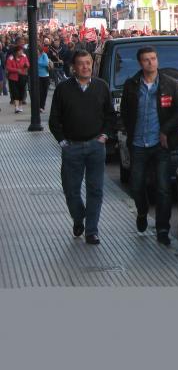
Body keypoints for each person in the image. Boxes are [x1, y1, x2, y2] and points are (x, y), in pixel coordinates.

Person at [120, 47, 178, 246]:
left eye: (153, 59)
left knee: (163, 188)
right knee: (137, 185)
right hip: (139, 143)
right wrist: (127, 131)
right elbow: (125, 111)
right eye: (146, 60)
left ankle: (163, 229)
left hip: (160, 145)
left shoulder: (169, 84)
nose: (151, 63)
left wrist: (166, 130)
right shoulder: (131, 85)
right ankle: (142, 212)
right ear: (140, 63)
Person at [48, 50, 115, 245]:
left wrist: (104, 136)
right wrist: (63, 142)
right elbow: (54, 120)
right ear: (73, 67)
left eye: (88, 63)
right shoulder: (63, 89)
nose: (86, 67)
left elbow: (110, 116)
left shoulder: (101, 87)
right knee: (71, 189)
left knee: (95, 190)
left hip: (96, 146)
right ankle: (79, 218)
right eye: (81, 64)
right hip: (72, 147)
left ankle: (91, 231)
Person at [6, 45, 30, 114]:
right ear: (16, 52)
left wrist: (26, 65)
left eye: (22, 50)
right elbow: (8, 67)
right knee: (15, 92)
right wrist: (16, 70)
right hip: (13, 77)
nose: (21, 52)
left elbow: (28, 64)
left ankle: (20, 105)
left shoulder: (24, 56)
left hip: (22, 76)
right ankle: (16, 107)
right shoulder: (11, 58)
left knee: (22, 91)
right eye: (20, 51)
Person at [36, 40, 52, 112]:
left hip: (45, 76)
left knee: (44, 92)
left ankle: (42, 106)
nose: (36, 52)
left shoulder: (44, 55)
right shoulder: (34, 56)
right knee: (39, 92)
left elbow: (46, 63)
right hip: (37, 76)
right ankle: (38, 106)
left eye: (37, 50)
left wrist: (38, 62)